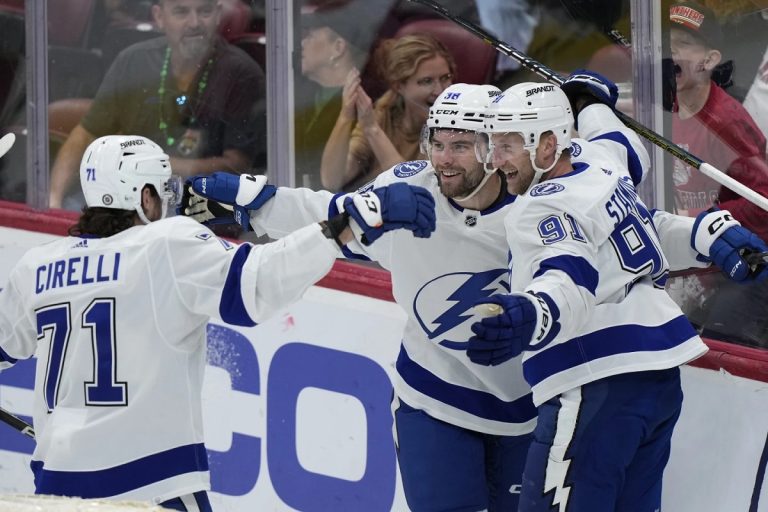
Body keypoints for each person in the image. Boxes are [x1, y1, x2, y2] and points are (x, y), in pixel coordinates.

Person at [0, 135, 435, 509]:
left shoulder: (37, 266)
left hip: (55, 486)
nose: (170, 199)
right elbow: (257, 287)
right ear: (144, 197)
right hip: (151, 485)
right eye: (162, 189)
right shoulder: (168, 245)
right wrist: (343, 224)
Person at [184, 83, 538, 511]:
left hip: (526, 407)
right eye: (437, 143)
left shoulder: (535, 210)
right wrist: (257, 203)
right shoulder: (410, 194)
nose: (443, 159)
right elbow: (331, 214)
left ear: (493, 149)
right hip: (434, 400)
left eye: (460, 146)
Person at [466, 73, 768, 511]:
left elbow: (569, 277)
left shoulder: (539, 207)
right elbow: (616, 142)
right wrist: (705, 235)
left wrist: (532, 314)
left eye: (507, 145)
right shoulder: (602, 164)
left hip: (595, 382)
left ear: (547, 145)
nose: (495, 160)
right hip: (658, 382)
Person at [49, 0, 267, 210]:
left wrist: (152, 167)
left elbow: (236, 167)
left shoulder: (241, 75)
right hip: (129, 196)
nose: (194, 23)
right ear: (159, 17)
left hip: (201, 205)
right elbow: (86, 134)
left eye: (204, 11)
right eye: (181, 12)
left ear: (218, 15)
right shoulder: (133, 61)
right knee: (74, 212)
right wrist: (54, 199)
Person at [668, 1, 768, 346]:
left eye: (683, 44)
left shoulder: (727, 123)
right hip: (691, 248)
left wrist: (701, 219)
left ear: (709, 60)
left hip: (741, 257)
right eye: (668, 43)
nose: (671, 52)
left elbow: (763, 202)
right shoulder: (661, 106)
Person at [320, 34, 455, 192]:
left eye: (445, 78)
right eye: (427, 81)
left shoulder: (453, 127)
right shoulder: (385, 111)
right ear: (399, 87)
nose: (440, 91)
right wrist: (346, 115)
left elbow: (414, 189)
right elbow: (333, 180)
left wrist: (372, 131)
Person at [294, 4, 377, 190]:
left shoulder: (365, 103)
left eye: (309, 36)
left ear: (338, 47)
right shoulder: (298, 93)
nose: (301, 44)